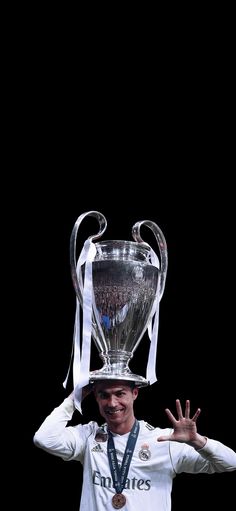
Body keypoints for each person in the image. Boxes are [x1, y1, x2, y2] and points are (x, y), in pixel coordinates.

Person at [33, 379, 236, 511]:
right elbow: (44, 438)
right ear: (95, 397)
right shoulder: (89, 436)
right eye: (104, 395)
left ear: (135, 394)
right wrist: (75, 397)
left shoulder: (165, 440)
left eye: (120, 393)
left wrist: (197, 441)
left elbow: (230, 462)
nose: (112, 403)